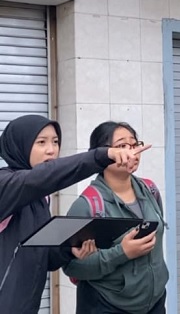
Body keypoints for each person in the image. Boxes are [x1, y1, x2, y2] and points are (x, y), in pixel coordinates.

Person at [0, 115, 145, 314]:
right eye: (41, 142)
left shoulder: (40, 198)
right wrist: (102, 155)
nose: (51, 150)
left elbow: (44, 259)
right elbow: (45, 176)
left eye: (56, 142)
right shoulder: (5, 185)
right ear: (20, 145)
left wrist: (70, 250)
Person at [63, 121, 168, 314]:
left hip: (155, 303)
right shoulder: (88, 205)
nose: (132, 151)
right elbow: (71, 267)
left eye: (134, 144)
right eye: (121, 146)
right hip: (107, 305)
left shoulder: (150, 190)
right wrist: (123, 252)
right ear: (102, 154)